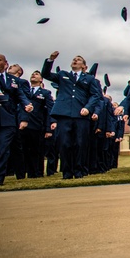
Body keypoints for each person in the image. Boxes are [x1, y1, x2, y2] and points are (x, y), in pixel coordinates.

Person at [41, 52, 96, 180]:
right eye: (74, 59)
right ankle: (66, 172)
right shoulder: (63, 75)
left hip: (81, 114)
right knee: (64, 143)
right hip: (64, 113)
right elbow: (46, 74)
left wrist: (88, 108)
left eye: (78, 59)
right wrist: (50, 60)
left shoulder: (89, 79)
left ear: (84, 66)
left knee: (80, 143)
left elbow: (95, 95)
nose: (75, 60)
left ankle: (79, 171)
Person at [0, 54, 34, 186]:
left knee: (3, 148)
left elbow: (21, 95)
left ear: (5, 63)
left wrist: (27, 105)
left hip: (8, 119)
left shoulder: (14, 81)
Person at [20, 71, 53, 178]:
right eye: (32, 74)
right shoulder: (24, 91)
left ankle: (37, 173)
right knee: (24, 149)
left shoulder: (45, 93)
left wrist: (48, 128)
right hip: (22, 124)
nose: (33, 75)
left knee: (37, 150)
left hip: (37, 125)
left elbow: (50, 110)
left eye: (37, 74)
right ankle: (25, 172)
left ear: (41, 80)